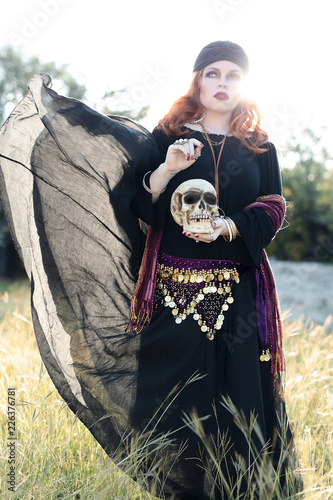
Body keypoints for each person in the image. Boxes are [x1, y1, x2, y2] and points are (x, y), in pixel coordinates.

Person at [0, 41, 300, 499]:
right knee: (174, 400)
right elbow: (137, 205)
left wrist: (227, 226)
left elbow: (273, 208)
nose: (222, 83)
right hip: (172, 294)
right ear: (197, 79)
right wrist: (167, 168)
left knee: (240, 398)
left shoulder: (260, 147)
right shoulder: (167, 136)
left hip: (238, 293)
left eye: (233, 75)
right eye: (213, 73)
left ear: (244, 84)